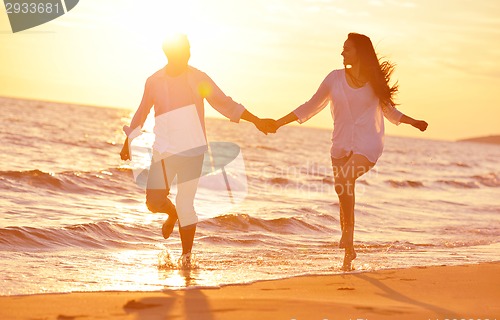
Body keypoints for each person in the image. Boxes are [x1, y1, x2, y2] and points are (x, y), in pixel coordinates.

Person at [272, 33, 428, 271]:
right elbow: (310, 105)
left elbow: (390, 111)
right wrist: (278, 123)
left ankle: (347, 234)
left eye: (347, 49)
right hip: (340, 143)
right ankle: (349, 254)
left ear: (359, 53)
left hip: (368, 143)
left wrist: (413, 121)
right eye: (343, 49)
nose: (342, 52)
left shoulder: (374, 82)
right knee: (344, 192)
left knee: (344, 180)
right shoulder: (334, 79)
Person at [120, 34, 274, 264]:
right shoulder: (154, 81)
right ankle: (171, 214)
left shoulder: (198, 78)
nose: (189, 54)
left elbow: (224, 102)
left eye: (189, 50)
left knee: (185, 203)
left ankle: (186, 257)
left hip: (192, 150)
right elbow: (142, 112)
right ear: (170, 53)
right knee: (153, 202)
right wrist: (127, 141)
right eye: (185, 50)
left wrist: (256, 120)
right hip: (163, 149)